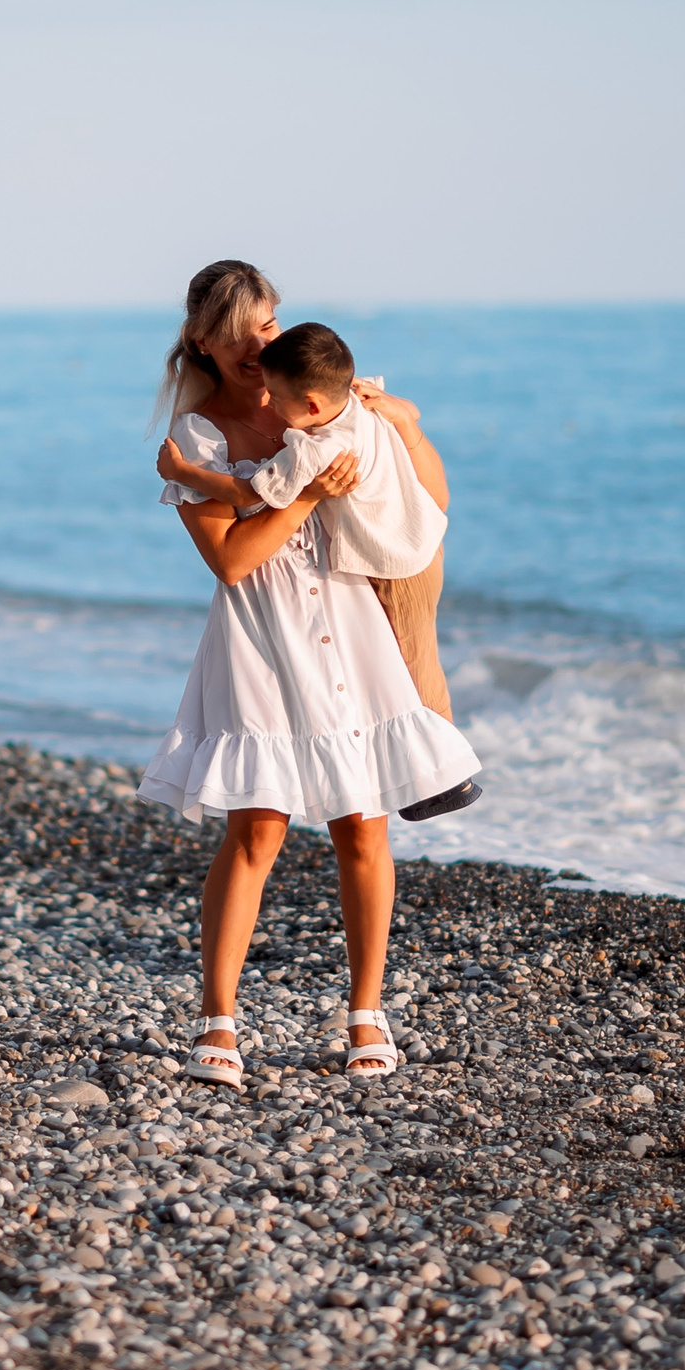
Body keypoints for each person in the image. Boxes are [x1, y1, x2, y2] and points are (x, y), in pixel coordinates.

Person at [141, 261, 480, 1088]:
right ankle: (218, 1020)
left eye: (265, 325)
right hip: (260, 639)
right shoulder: (194, 439)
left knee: (363, 824)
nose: (258, 343)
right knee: (257, 827)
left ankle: (367, 1011)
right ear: (201, 341)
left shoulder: (324, 402)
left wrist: (401, 425)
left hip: (350, 626)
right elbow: (231, 560)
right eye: (239, 331)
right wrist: (298, 498)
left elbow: (425, 494)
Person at [159, 321, 481, 820]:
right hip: (412, 545)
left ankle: (442, 778)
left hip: (396, 562)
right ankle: (433, 770)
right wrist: (404, 416)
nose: (269, 398)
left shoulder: (316, 447)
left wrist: (184, 474)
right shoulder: (354, 398)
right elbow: (230, 561)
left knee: (414, 661)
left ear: (309, 405)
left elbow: (251, 493)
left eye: (267, 325)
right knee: (413, 658)